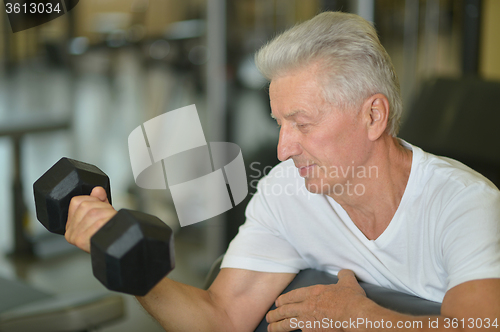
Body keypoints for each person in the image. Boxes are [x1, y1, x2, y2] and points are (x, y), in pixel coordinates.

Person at [64, 11, 500, 331]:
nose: (283, 148)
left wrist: (366, 318)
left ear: (373, 116)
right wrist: (133, 263)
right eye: (280, 123)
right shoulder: (286, 192)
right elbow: (221, 319)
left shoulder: (464, 204)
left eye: (302, 123)